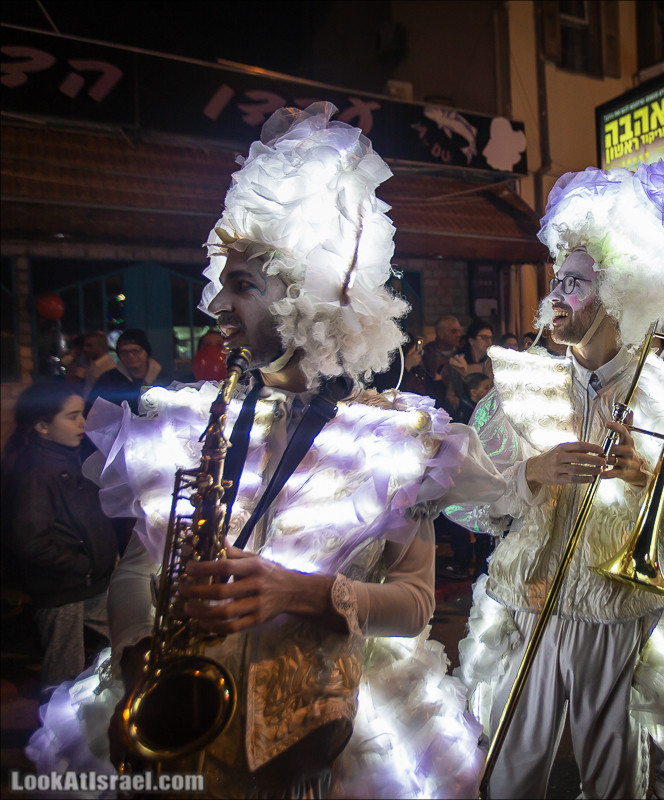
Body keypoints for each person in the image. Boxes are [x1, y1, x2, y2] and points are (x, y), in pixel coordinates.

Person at [25, 102, 505, 799]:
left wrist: (299, 592)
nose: (216, 305)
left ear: (312, 299)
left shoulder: (398, 436)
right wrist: (137, 659)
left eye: (242, 284)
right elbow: (134, 571)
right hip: (181, 722)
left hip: (329, 737)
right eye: (223, 280)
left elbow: (415, 606)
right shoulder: (186, 418)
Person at [447, 162, 664, 799]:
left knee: (615, 780)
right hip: (526, 602)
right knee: (504, 774)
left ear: (619, 294)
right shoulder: (522, 388)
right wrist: (530, 473)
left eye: (576, 283)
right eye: (557, 280)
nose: (557, 296)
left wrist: (646, 477)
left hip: (615, 614)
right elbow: (466, 503)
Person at [2, 382, 119, 690]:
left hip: (88, 582)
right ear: (42, 426)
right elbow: (30, 542)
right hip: (63, 590)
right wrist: (85, 564)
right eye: (72, 416)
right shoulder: (34, 471)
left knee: (123, 640)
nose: (83, 423)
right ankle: (57, 719)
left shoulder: (68, 457)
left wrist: (105, 556)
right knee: (63, 672)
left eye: (82, 414)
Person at [84, 329, 170, 414]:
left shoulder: (163, 379)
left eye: (135, 351)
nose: (130, 356)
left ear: (146, 352)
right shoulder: (107, 381)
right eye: (124, 352)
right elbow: (92, 411)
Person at [422, 314, 464, 411]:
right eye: (454, 331)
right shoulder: (426, 354)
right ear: (440, 334)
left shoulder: (462, 354)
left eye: (459, 331)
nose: (458, 335)